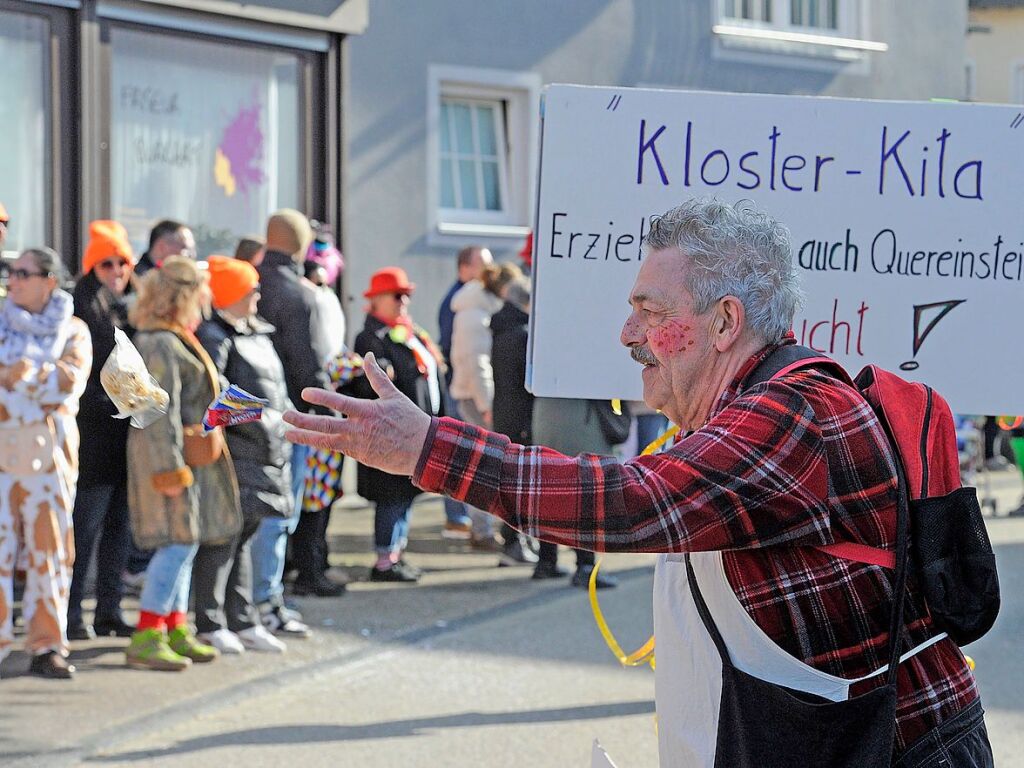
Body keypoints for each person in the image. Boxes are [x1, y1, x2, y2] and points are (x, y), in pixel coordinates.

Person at [285, 199, 992, 767]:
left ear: (724, 322)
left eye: (652, 311)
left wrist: (428, 446)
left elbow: (632, 502)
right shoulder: (737, 409)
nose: (627, 332)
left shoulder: (794, 414)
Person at [125, 256, 241, 671]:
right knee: (176, 545)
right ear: (184, 296)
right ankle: (148, 633)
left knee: (185, 543)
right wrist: (169, 471)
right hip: (170, 461)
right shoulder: (158, 342)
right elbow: (157, 416)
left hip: (186, 459)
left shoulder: (171, 337)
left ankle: (174, 627)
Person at [0, 247, 91, 679]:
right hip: (3, 460)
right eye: (10, 273)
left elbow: (66, 386)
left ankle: (47, 646)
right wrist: (31, 382)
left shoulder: (74, 330)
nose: (12, 280)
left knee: (50, 555)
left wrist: (17, 376)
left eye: (23, 273)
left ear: (49, 279)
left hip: (50, 462)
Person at [192, 256, 290, 654]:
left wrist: (275, 422)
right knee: (223, 539)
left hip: (265, 448)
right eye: (250, 289)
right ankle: (210, 620)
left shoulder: (258, 333)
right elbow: (213, 398)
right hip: (236, 452)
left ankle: (242, 619)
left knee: (245, 536)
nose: (258, 296)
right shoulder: (217, 336)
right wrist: (265, 419)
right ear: (232, 294)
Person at [252, 209, 328, 634]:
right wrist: (320, 413)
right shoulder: (298, 294)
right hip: (286, 416)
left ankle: (250, 600)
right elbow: (306, 364)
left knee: (250, 514)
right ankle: (267, 601)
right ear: (300, 247)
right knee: (279, 512)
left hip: (242, 412)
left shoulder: (249, 283)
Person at [352, 267, 445, 582]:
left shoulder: (410, 331)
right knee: (392, 494)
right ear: (376, 300)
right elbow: (371, 381)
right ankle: (384, 560)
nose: (403, 301)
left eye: (406, 295)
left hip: (417, 430)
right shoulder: (370, 337)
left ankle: (396, 554)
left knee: (406, 494)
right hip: (392, 432)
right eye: (397, 295)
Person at [67, 221, 137, 640]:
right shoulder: (81, 309)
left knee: (118, 528)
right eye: (106, 262)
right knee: (84, 531)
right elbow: (83, 380)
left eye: (122, 261)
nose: (116, 269)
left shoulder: (126, 304)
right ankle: (73, 615)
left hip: (122, 434)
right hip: (92, 437)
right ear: (92, 266)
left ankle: (108, 611)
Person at [437, 245, 493, 540]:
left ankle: (460, 517)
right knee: (462, 455)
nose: (488, 271)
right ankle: (457, 517)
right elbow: (462, 351)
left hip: (462, 386)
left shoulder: (469, 299)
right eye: (482, 265)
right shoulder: (460, 303)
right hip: (463, 387)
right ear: (464, 268)